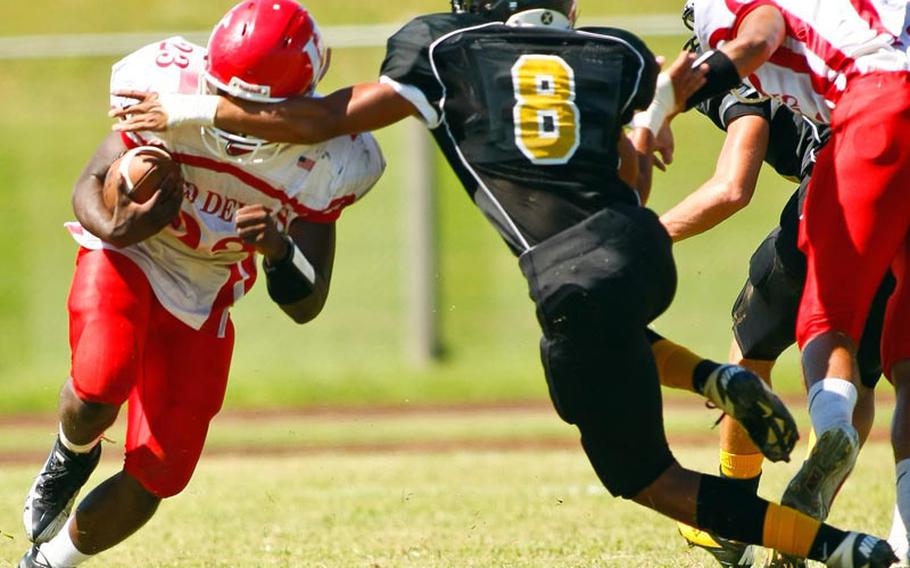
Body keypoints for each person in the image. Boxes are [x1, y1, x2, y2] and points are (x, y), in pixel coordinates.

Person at [111, 1, 901, 565]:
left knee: (645, 477)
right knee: (610, 333)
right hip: (639, 251)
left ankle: (840, 547)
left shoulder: (443, 49)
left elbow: (324, 120)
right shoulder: (617, 50)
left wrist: (188, 110)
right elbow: (631, 170)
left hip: (570, 277)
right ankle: (712, 374)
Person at [17, 2, 385, 567]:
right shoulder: (168, 83)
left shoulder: (330, 158)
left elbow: (307, 303)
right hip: (132, 255)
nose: (236, 120)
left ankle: (48, 563)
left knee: (162, 470)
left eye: (254, 108)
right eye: (226, 96)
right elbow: (91, 178)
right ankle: (72, 452)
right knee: (99, 381)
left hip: (205, 293)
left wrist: (280, 253)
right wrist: (113, 224)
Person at [661, 79, 894, 567]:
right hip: (897, 206)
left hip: (836, 188)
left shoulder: (746, 55)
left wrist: (645, 236)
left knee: (752, 346)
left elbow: (731, 189)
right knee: (861, 375)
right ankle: (803, 525)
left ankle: (735, 512)